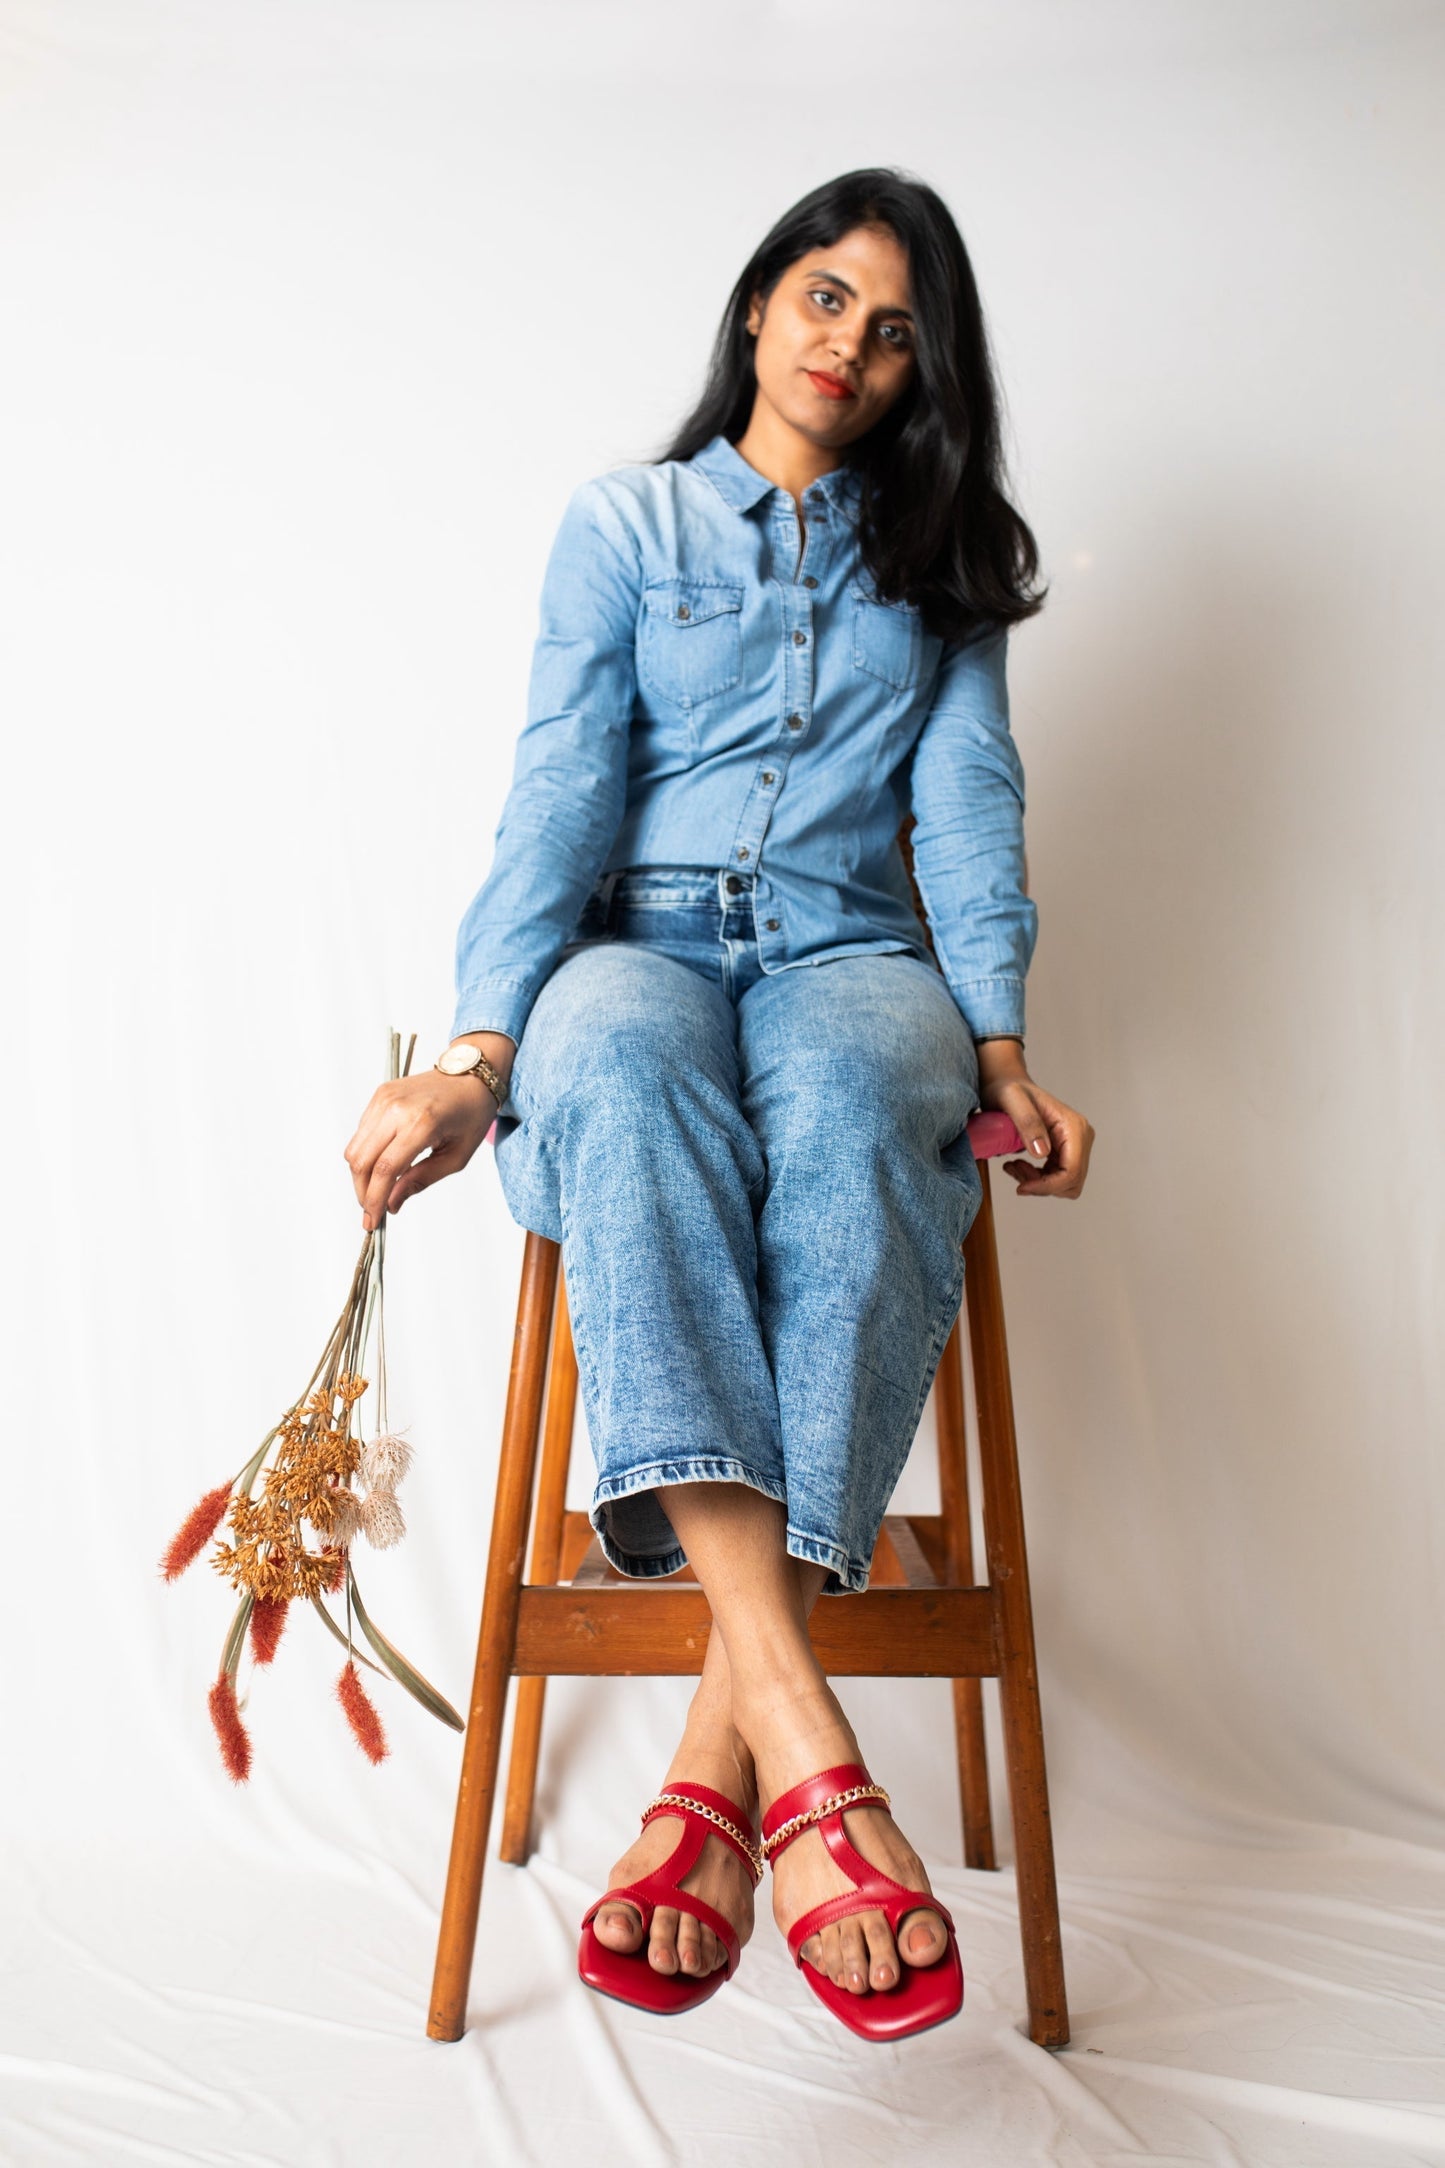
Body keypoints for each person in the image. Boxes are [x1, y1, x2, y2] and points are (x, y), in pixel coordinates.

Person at [345, 167, 1094, 2042]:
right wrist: (477, 1049)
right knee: (621, 1072)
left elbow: (969, 812)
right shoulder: (624, 522)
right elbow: (558, 789)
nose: (851, 344)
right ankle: (810, 1761)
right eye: (828, 297)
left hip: (855, 952)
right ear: (761, 307)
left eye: (896, 327)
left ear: (924, 375)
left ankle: (723, 1754)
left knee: (855, 1107)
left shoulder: (946, 559)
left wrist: (999, 1053)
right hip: (637, 945)